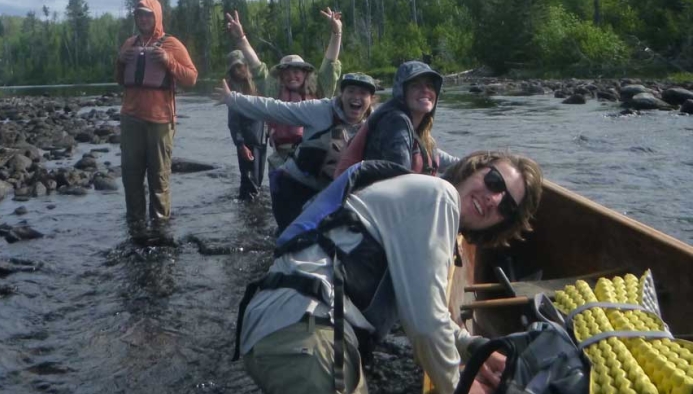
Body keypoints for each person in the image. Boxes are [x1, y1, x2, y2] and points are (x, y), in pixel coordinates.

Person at [234, 151, 544, 394]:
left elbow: (428, 314)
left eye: (507, 208)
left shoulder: (420, 206)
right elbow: (425, 325)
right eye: (494, 181)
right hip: (306, 335)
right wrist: (459, 386)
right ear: (474, 168)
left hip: (273, 331)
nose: (494, 200)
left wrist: (473, 345)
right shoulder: (439, 196)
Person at [214, 72, 377, 232]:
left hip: (329, 193)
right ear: (342, 94)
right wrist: (232, 99)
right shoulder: (320, 110)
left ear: (371, 100)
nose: (356, 97)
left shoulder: (376, 125)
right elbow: (275, 109)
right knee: (295, 241)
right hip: (293, 188)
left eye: (363, 93)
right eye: (351, 91)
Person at [225, 8, 342, 171]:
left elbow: (330, 62)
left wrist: (337, 33)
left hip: (314, 158)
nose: (291, 76)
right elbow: (257, 66)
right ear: (280, 76)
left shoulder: (320, 89)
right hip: (281, 158)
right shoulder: (274, 92)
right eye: (286, 73)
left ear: (305, 74)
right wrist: (242, 38)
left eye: (296, 72)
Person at [115, 0, 198, 223]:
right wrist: (120, 61)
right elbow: (121, 80)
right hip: (131, 119)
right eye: (139, 14)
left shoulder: (171, 44)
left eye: (148, 14)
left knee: (158, 179)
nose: (143, 18)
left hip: (160, 121)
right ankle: (135, 225)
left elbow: (191, 78)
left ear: (156, 17)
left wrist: (169, 61)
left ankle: (160, 228)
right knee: (130, 177)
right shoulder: (129, 44)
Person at [334, 60, 457, 178]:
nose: (425, 90)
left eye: (430, 85)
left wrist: (471, 163)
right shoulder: (395, 122)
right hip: (356, 196)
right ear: (402, 93)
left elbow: (438, 157)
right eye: (415, 86)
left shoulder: (420, 131)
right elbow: (400, 179)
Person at [225, 50, 268, 201]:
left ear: (246, 65)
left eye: (239, 66)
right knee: (249, 185)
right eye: (233, 69)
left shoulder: (258, 85)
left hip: (261, 140)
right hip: (247, 143)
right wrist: (240, 144)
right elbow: (233, 122)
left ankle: (253, 214)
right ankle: (250, 217)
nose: (237, 71)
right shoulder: (234, 92)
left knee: (258, 182)